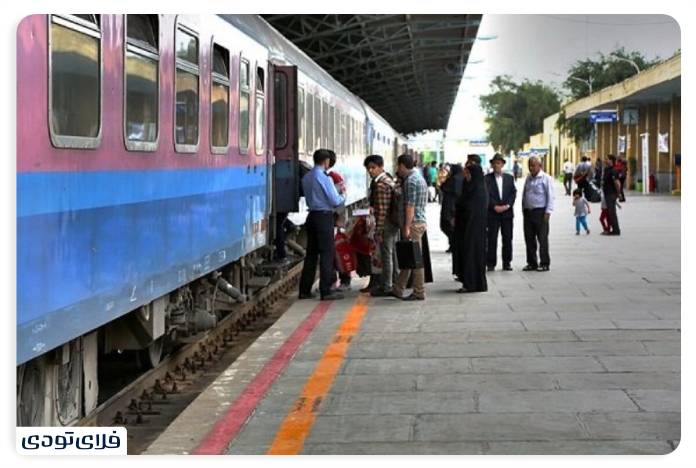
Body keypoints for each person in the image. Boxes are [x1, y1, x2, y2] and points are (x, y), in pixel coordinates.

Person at [298, 149, 346, 301]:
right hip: (324, 217)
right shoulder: (324, 178)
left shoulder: (307, 177)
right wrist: (343, 195)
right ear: (326, 161)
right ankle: (326, 290)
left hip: (311, 216)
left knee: (311, 255)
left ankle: (304, 290)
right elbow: (334, 200)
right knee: (327, 253)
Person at [390, 153, 428, 301]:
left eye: (397, 166)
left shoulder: (411, 181)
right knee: (409, 255)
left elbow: (410, 206)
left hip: (413, 223)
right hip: (420, 221)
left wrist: (406, 226)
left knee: (416, 260)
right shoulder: (419, 177)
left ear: (401, 165)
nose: (397, 169)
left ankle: (419, 291)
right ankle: (398, 288)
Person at [363, 154, 399, 297]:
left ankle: (387, 286)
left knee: (386, 255)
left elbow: (382, 211)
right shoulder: (389, 180)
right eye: (368, 168)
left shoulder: (381, 184)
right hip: (392, 223)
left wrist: (378, 231)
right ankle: (394, 282)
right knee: (391, 253)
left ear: (381, 167)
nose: (371, 171)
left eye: (373, 167)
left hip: (387, 224)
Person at [453, 160, 488, 293]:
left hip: (474, 229)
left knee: (472, 255)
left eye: (468, 173)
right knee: (467, 254)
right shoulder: (470, 187)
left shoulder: (479, 190)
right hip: (467, 228)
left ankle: (472, 284)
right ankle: (469, 282)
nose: (466, 176)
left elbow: (472, 209)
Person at [521, 155, 554, 272]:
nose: (531, 168)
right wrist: (524, 209)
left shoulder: (546, 178)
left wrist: (548, 212)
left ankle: (544, 263)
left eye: (533, 165)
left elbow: (550, 196)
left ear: (540, 166)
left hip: (541, 212)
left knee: (542, 239)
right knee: (529, 239)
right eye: (529, 165)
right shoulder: (528, 178)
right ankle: (531, 262)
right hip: (528, 213)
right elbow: (524, 194)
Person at [484, 153, 516, 271]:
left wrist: (508, 205)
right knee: (492, 238)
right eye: (495, 163)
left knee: (507, 238)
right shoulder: (486, 179)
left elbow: (513, 193)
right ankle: (491, 263)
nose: (497, 165)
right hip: (493, 213)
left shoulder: (509, 178)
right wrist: (494, 206)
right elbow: (486, 195)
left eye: (499, 163)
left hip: (507, 213)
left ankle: (507, 262)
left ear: (502, 164)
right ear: (492, 165)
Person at [326, 150, 351, 291]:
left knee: (338, 251)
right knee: (335, 251)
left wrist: (339, 222)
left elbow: (340, 199)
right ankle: (337, 281)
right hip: (336, 217)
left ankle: (344, 280)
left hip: (336, 218)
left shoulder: (332, 177)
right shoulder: (333, 176)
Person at [439, 164, 464, 254]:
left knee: (447, 226)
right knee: (450, 227)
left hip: (449, 206)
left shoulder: (454, 179)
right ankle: (453, 244)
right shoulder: (460, 178)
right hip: (454, 205)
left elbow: (443, 187)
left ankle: (453, 244)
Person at [601, 155, 622, 236]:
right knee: (610, 212)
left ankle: (616, 230)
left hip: (611, 194)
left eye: (607, 159)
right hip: (607, 193)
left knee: (612, 212)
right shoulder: (607, 169)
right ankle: (613, 229)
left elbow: (617, 183)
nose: (605, 160)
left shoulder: (613, 170)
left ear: (611, 160)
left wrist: (619, 193)